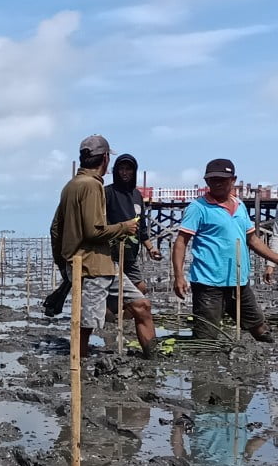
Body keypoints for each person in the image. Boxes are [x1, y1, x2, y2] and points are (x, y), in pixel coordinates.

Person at [50, 135, 155, 358]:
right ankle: (79, 366)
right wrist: (124, 227)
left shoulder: (71, 186)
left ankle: (152, 360)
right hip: (91, 266)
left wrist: (62, 263)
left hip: (105, 264)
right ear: (106, 159)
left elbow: (55, 229)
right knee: (87, 325)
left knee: (142, 305)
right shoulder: (92, 186)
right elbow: (93, 231)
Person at [172, 158, 278, 341]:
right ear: (207, 182)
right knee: (206, 338)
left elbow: (252, 240)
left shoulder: (240, 206)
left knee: (260, 329)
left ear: (233, 180)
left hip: (238, 282)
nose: (218, 183)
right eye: (213, 180)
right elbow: (181, 242)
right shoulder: (198, 208)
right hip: (208, 284)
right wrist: (179, 276)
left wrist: (276, 259)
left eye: (223, 179)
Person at [104, 154, 162, 293]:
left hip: (130, 255)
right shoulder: (108, 192)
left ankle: (122, 315)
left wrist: (150, 248)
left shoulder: (137, 195)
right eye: (121, 169)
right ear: (116, 171)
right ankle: (112, 313)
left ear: (134, 171)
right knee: (114, 294)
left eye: (128, 169)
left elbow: (141, 227)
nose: (124, 172)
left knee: (141, 289)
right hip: (111, 254)